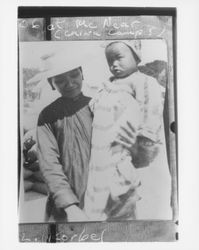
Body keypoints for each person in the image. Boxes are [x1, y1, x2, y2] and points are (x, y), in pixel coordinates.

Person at [84, 41, 164, 221]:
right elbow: (93, 107)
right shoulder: (107, 85)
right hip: (100, 152)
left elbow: (150, 115)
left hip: (126, 150)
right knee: (101, 200)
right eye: (109, 61)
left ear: (136, 57)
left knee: (122, 197)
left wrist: (140, 147)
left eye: (119, 58)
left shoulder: (143, 82)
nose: (114, 64)